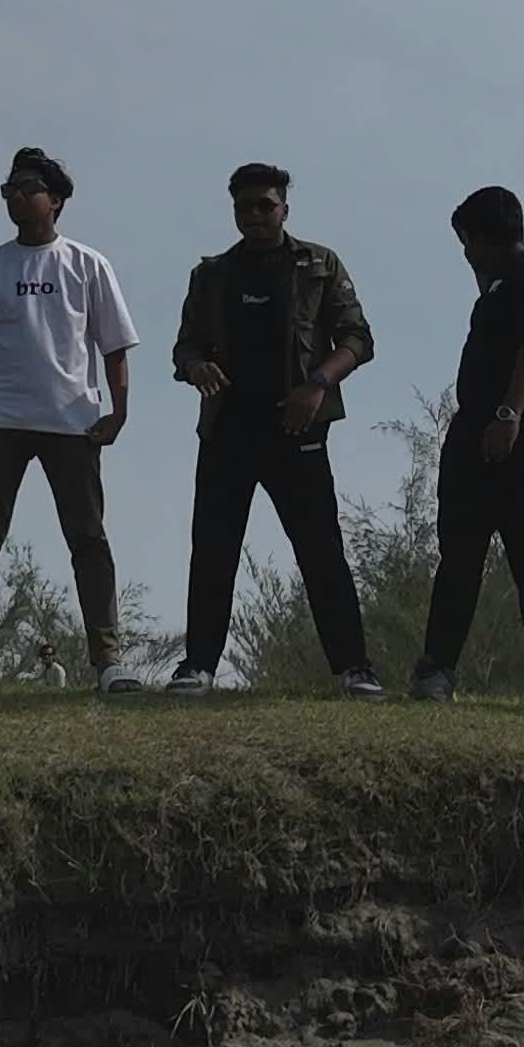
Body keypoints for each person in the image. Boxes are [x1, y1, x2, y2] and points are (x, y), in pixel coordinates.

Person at [0, 146, 146, 696]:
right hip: (0, 420)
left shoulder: (87, 264)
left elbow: (114, 346)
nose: (17, 198)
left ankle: (108, 660)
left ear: (56, 200)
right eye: (10, 190)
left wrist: (119, 412)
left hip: (72, 421)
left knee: (87, 537)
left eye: (28, 189)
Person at [168, 163, 382, 695]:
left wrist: (317, 385)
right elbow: (185, 346)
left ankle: (354, 667)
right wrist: (196, 367)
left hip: (296, 429)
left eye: (265, 205)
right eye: (245, 206)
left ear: (285, 208)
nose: (255, 215)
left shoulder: (319, 264)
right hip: (227, 431)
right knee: (213, 550)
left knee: (321, 550)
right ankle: (198, 665)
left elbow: (357, 338)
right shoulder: (212, 274)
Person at [411, 186, 524, 711]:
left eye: (467, 242)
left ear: (482, 237)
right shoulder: (496, 289)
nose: (466, 254)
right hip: (476, 435)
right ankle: (436, 669)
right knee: (460, 555)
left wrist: (509, 414)